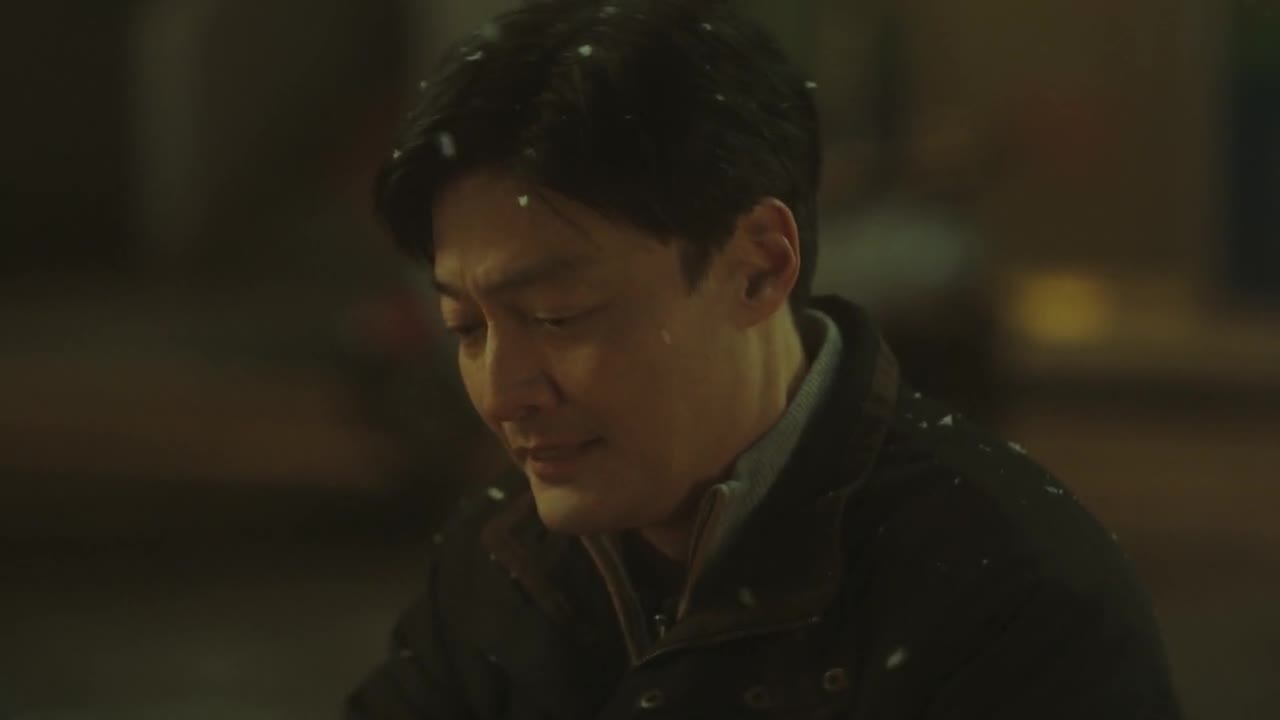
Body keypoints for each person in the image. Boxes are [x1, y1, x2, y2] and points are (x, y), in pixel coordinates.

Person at [347, 1, 1182, 717]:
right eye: (466, 328)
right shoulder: (504, 555)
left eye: (558, 316)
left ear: (757, 267)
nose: (502, 392)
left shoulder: (1007, 604)